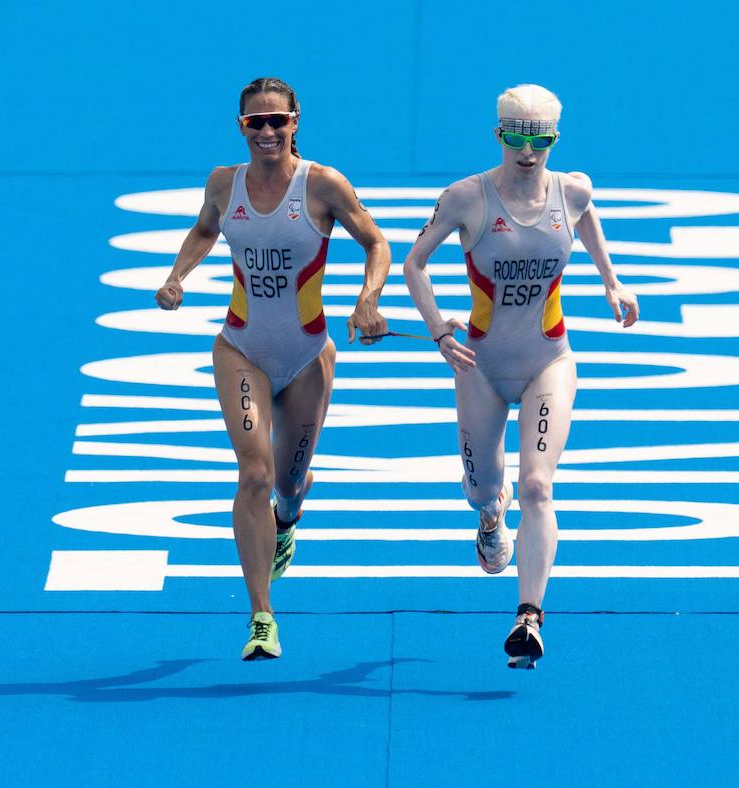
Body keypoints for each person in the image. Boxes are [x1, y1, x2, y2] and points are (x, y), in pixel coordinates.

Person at [403, 84, 639, 668]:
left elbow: (587, 225)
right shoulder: (466, 198)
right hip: (481, 367)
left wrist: (612, 282)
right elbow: (414, 263)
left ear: (555, 139)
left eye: (541, 139)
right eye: (516, 137)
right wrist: (438, 331)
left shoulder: (574, 190)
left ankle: (528, 619)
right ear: (498, 136)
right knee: (487, 488)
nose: (528, 152)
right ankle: (489, 515)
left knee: (538, 485)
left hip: (547, 361)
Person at [155, 77, 389, 660]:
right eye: (254, 123)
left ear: (296, 122)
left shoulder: (322, 185)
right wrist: (177, 275)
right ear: (240, 126)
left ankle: (289, 515)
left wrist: (369, 299)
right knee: (254, 474)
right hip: (242, 349)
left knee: (285, 484)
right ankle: (262, 616)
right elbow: (206, 229)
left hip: (309, 356)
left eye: (277, 121)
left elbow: (376, 242)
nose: (266, 132)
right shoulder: (222, 183)